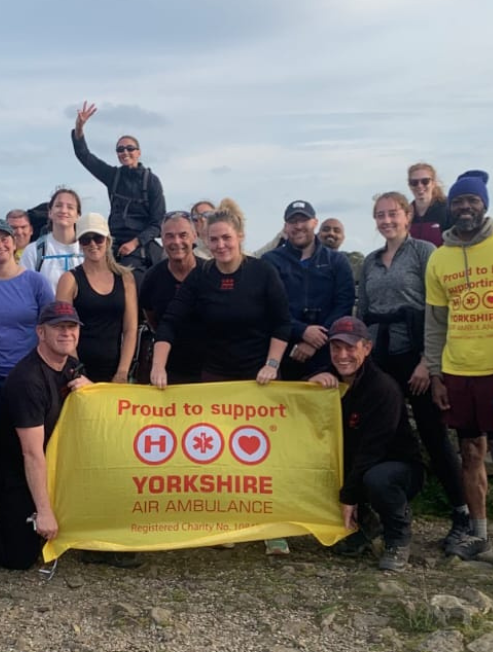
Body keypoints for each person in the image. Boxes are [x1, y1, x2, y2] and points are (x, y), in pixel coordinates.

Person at [151, 199, 292, 555]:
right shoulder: (201, 276)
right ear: (205, 242)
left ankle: (272, 526)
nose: (220, 246)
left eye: (226, 238)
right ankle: (227, 521)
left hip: (259, 375)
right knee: (221, 454)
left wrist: (272, 365)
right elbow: (170, 321)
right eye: (213, 240)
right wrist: (158, 366)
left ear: (240, 237)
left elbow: (282, 323)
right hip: (215, 375)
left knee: (263, 452)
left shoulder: (263, 272)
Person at [424, 170, 493, 572]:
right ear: (449, 207)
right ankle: (479, 531)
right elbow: (435, 321)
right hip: (458, 368)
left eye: (472, 201)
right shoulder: (439, 256)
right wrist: (436, 373)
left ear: (484, 203)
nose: (465, 208)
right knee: (470, 452)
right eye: (458, 202)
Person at [359, 192, 468, 555]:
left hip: (416, 356)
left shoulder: (424, 252)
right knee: (384, 435)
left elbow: (437, 308)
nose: (386, 220)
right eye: (380, 215)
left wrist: (428, 361)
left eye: (392, 213)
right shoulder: (371, 263)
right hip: (380, 358)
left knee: (435, 436)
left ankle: (461, 513)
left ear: (407, 216)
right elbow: (364, 313)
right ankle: (385, 512)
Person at [309, 317, 425, 571]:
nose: (342, 355)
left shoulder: (383, 389)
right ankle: (367, 525)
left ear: (367, 348)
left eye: (350, 348)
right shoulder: (328, 379)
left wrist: (348, 498)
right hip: (355, 464)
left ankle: (398, 537)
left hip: (396, 468)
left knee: (377, 478)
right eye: (336, 348)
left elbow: (372, 450)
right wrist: (310, 388)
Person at [0, 302, 93, 569]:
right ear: (40, 332)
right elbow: (31, 453)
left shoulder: (73, 365)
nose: (66, 333)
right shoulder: (27, 380)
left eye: (72, 327)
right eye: (58, 327)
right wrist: (45, 511)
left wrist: (93, 390)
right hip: (17, 473)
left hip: (59, 466)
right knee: (21, 558)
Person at [0, 218, 55, 434]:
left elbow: (51, 328)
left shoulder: (36, 282)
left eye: (4, 239)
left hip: (28, 376)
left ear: (14, 242)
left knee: (30, 443)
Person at [262, 200, 355, 380]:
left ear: (314, 223)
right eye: (292, 221)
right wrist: (302, 331)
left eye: (303, 220)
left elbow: (344, 304)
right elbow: (268, 306)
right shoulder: (270, 261)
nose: (298, 226)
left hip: (327, 353)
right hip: (282, 352)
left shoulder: (337, 261)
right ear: (285, 226)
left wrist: (317, 339)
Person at [72, 101, 165, 274]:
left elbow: (157, 223)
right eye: (120, 149)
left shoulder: (151, 181)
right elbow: (85, 156)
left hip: (139, 247)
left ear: (139, 152)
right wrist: (79, 129)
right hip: (111, 242)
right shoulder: (113, 176)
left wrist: (134, 243)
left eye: (130, 148)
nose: (125, 152)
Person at [56, 212, 139, 383]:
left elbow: (130, 329)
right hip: (78, 370)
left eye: (98, 238)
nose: (92, 244)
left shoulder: (125, 278)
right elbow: (63, 329)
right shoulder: (69, 279)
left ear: (108, 240)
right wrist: (78, 371)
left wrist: (122, 371)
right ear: (80, 244)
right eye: (86, 240)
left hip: (115, 369)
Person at [140, 211, 204, 385]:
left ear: (194, 236)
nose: (177, 242)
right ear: (162, 239)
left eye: (183, 235)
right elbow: (152, 319)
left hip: (208, 369)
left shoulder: (210, 272)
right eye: (169, 236)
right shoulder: (151, 278)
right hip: (167, 370)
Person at [20, 188, 85, 289]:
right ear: (50, 212)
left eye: (70, 207)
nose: (64, 211)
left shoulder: (87, 249)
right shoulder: (33, 251)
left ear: (78, 216)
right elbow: (25, 290)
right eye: (58, 206)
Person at [408, 162, 451, 248]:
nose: (420, 186)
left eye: (425, 181)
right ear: (409, 185)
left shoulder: (447, 208)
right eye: (414, 182)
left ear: (433, 183)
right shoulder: (406, 213)